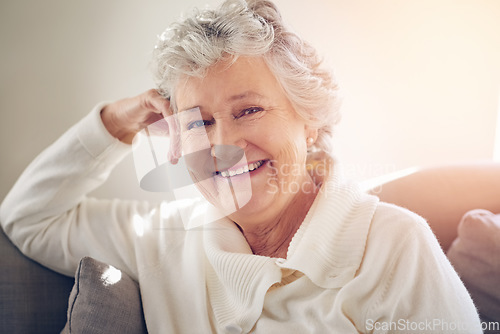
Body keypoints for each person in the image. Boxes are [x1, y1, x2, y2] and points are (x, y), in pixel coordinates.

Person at [0, 0, 483, 333]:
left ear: (309, 121)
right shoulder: (164, 239)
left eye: (249, 110)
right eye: (199, 123)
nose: (224, 144)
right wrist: (115, 122)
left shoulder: (395, 246)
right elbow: (30, 218)